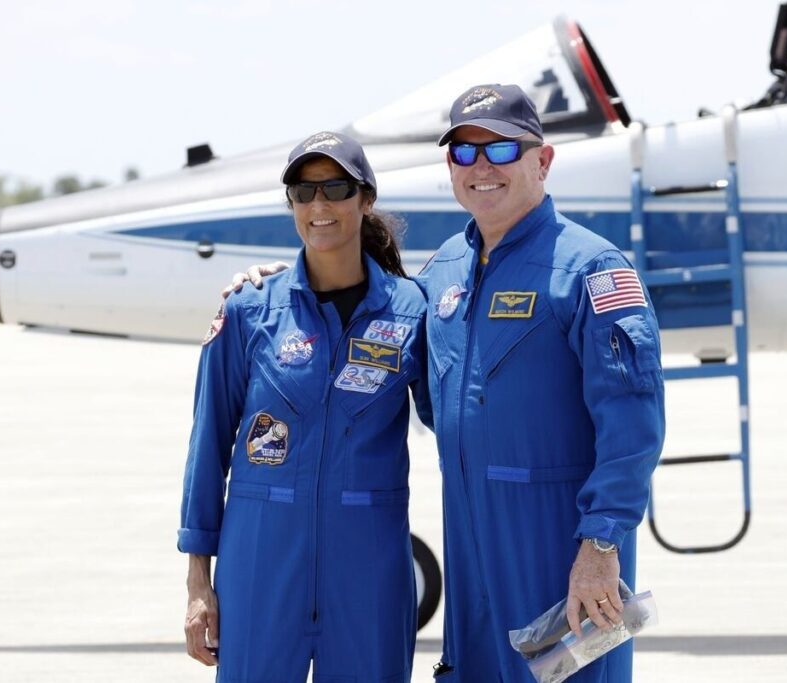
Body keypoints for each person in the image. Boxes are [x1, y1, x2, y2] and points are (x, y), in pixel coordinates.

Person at [230, 84, 665, 682]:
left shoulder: (591, 270)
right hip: (469, 541)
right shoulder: (441, 279)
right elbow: (374, 314)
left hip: (560, 542)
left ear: (543, 160)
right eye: (464, 152)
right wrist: (278, 283)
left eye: (502, 150)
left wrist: (601, 546)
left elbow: (634, 426)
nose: (481, 167)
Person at [178, 131, 431, 683]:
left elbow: (459, 420)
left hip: (368, 571)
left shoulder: (413, 311)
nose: (319, 205)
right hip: (261, 566)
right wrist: (199, 582)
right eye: (303, 191)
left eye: (336, 188)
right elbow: (207, 449)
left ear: (365, 200)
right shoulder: (248, 310)